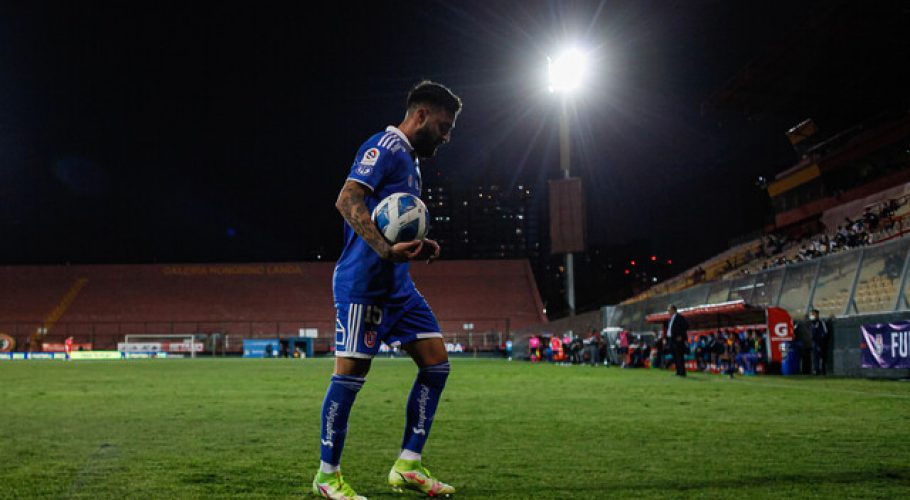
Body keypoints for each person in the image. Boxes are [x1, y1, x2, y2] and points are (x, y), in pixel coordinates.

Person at [313, 81, 461, 500]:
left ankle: (408, 465)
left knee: (436, 364)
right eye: (444, 127)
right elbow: (347, 199)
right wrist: (384, 248)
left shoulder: (411, 162)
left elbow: (392, 220)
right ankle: (327, 476)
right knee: (350, 377)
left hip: (398, 287)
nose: (447, 137)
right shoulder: (384, 146)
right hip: (364, 286)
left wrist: (416, 243)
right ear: (420, 116)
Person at [666, 305, 689, 377]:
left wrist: (681, 336)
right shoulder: (670, 319)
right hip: (672, 339)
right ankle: (678, 371)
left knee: (679, 356)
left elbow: (685, 326)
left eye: (669, 310)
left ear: (673, 310)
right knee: (675, 356)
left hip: (678, 339)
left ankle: (682, 372)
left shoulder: (679, 317)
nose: (668, 312)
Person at [808, 309, 829, 375]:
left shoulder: (821, 322)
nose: (812, 315)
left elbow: (825, 332)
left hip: (820, 344)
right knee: (814, 358)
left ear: (817, 315)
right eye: (812, 314)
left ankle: (823, 371)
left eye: (813, 314)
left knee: (822, 358)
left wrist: (821, 340)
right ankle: (816, 371)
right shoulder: (811, 323)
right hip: (814, 343)